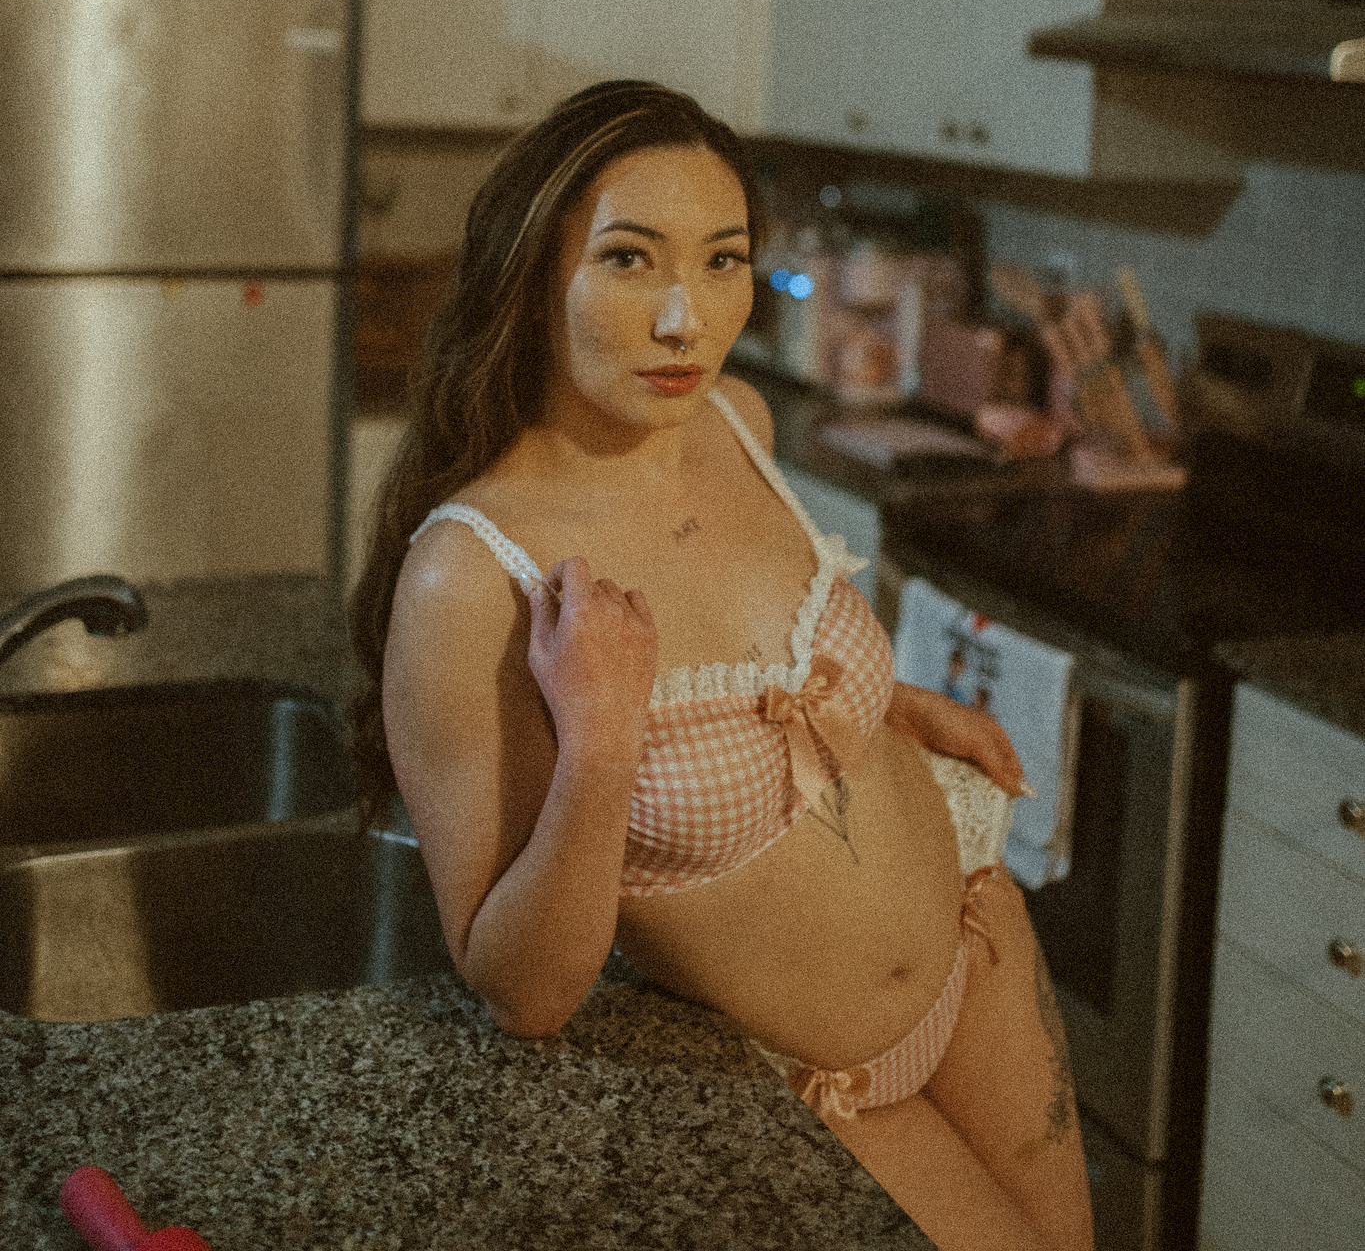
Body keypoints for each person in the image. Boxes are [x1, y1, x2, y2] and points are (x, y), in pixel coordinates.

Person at [350, 81, 1094, 1251]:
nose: (684, 318)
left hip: (977, 933)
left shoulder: (738, 419)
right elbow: (522, 989)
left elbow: (746, 671)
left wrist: (890, 704)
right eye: (630, 258)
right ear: (531, 273)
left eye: (724, 259)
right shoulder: (473, 574)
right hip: (810, 1088)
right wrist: (600, 743)